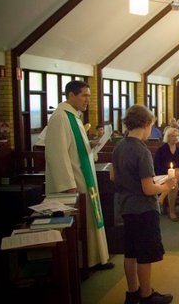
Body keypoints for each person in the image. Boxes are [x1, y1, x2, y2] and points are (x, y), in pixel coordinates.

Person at [111, 104, 177, 304]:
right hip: (143, 209)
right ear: (146, 124)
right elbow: (148, 188)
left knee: (130, 252)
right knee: (145, 254)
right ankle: (147, 295)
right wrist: (167, 185)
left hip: (126, 206)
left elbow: (113, 176)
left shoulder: (119, 146)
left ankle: (132, 293)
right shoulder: (141, 150)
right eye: (151, 126)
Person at [44, 80, 112, 271]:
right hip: (75, 183)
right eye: (84, 95)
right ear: (71, 95)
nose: (88, 99)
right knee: (82, 224)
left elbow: (74, 149)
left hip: (85, 178)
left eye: (89, 95)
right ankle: (82, 263)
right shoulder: (60, 118)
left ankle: (93, 259)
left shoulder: (74, 117)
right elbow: (57, 154)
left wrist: (91, 146)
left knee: (91, 220)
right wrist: (68, 185)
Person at [153, 127, 179, 222]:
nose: (175, 138)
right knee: (174, 186)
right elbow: (156, 166)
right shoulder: (161, 150)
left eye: (176, 136)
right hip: (163, 176)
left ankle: (162, 197)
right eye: (173, 136)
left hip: (178, 176)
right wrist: (168, 172)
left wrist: (177, 170)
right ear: (168, 137)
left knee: (176, 173)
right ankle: (172, 212)